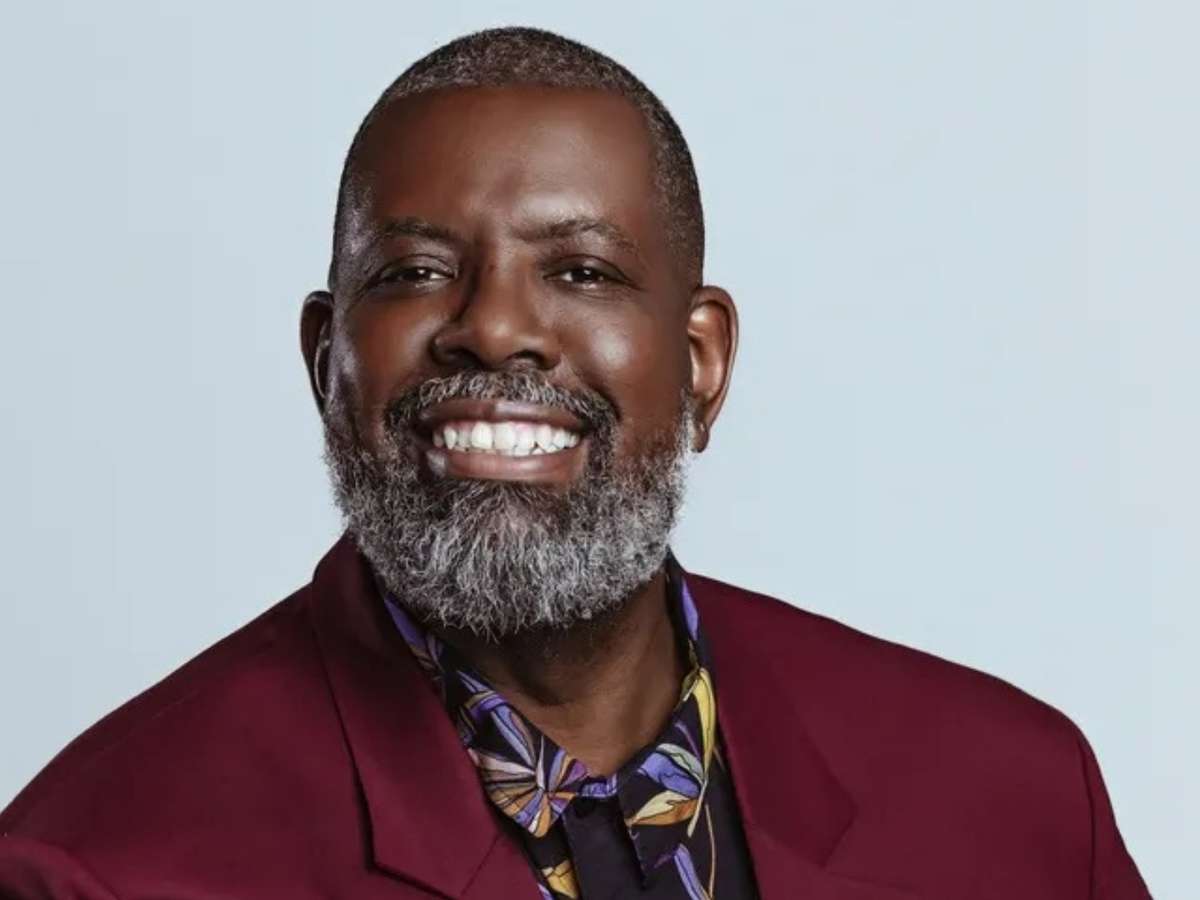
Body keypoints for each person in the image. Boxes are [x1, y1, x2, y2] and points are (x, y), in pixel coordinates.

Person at [0, 26, 1149, 900]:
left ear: (701, 365)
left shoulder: (1020, 801)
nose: (495, 328)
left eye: (583, 272)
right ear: (325, 362)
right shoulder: (97, 865)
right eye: (414, 273)